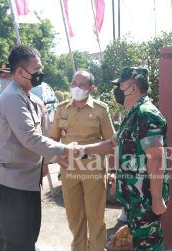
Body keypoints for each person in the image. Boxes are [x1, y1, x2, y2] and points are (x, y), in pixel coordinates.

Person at [0, 45, 78, 251]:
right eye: (36, 70)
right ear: (19, 72)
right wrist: (64, 150)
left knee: (24, 238)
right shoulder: (12, 98)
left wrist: (50, 158)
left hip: (26, 180)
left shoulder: (25, 96)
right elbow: (30, 138)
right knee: (18, 242)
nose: (40, 74)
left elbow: (38, 137)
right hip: (14, 183)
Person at [80, 67, 170, 250]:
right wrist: (81, 150)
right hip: (134, 197)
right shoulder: (133, 114)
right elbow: (112, 143)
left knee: (148, 245)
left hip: (144, 199)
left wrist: (157, 198)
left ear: (133, 88)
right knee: (138, 244)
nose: (117, 91)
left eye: (120, 86)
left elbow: (156, 158)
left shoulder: (146, 113)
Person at [0, 64, 51, 250]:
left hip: (30, 172)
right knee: (6, 214)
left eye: (7, 75)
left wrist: (45, 162)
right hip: (5, 171)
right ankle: (3, 243)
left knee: (28, 217)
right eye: (1, 75)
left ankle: (21, 244)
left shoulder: (37, 103)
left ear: (17, 75)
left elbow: (44, 133)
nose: (4, 79)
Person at [49, 70, 115, 251]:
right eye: (73, 83)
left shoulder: (100, 110)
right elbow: (52, 140)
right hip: (69, 170)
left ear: (91, 88)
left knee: (95, 217)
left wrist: (114, 171)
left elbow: (112, 142)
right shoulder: (62, 109)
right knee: (74, 218)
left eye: (82, 85)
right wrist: (56, 158)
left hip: (93, 170)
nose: (76, 87)